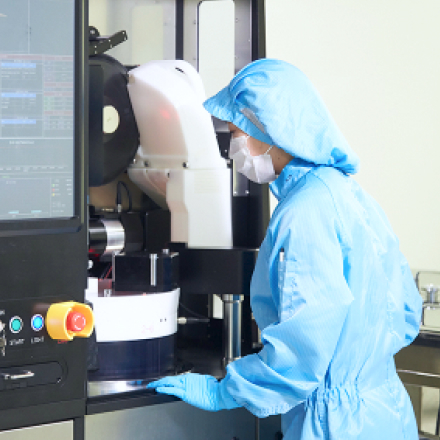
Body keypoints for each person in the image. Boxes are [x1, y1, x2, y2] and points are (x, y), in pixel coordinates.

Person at [147, 59, 423, 440]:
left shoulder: (305, 212)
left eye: (236, 134)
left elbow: (303, 347)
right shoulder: (349, 193)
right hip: (386, 412)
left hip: (334, 424)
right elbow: (405, 311)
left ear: (269, 128)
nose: (233, 150)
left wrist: (225, 391)